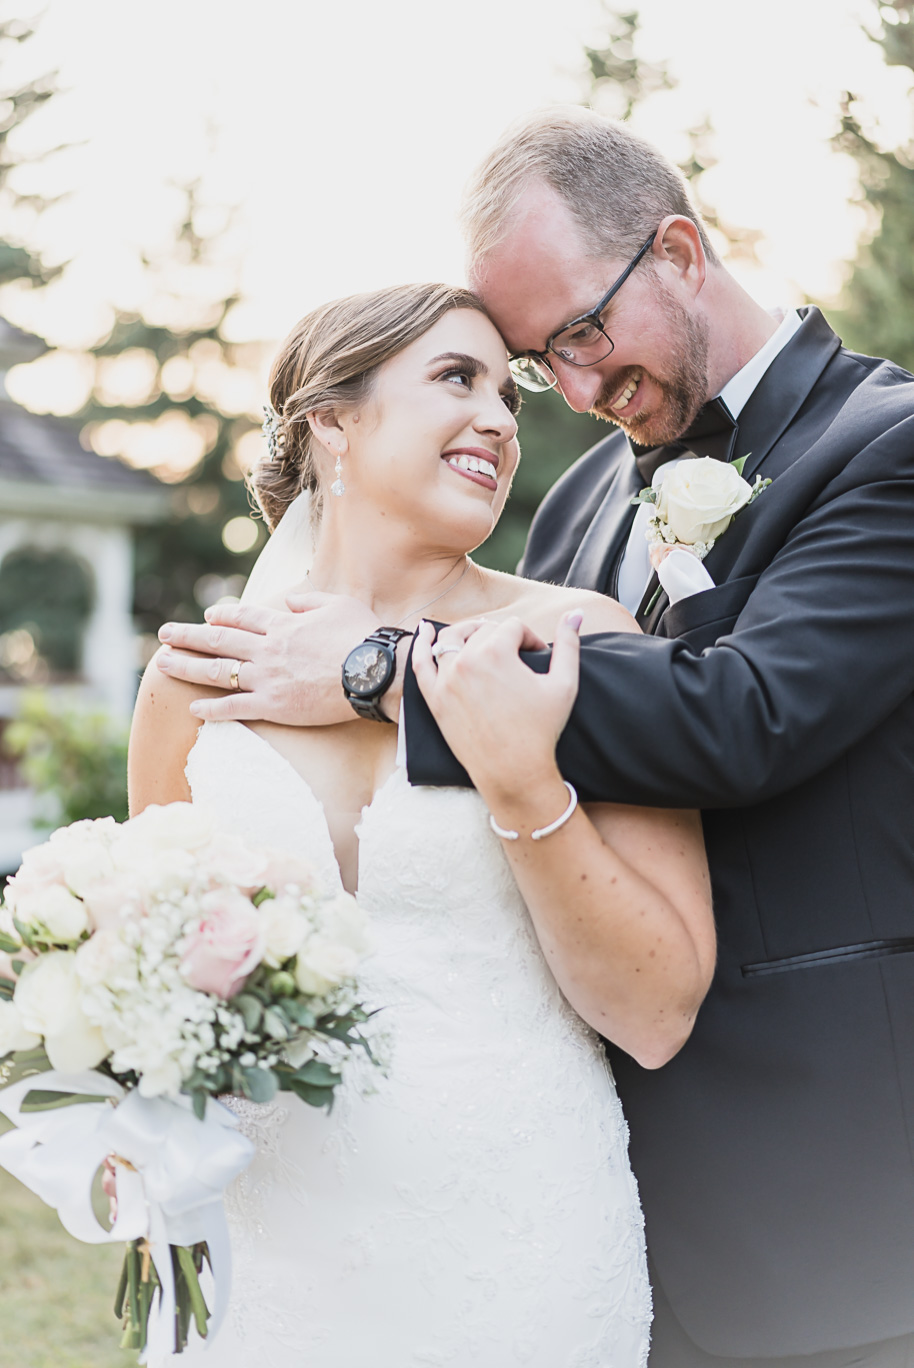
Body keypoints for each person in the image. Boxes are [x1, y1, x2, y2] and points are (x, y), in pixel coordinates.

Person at [155, 109, 914, 1367]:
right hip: (587, 1180)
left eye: (579, 331)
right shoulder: (577, 498)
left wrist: (372, 670)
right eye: (529, 362)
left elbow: (746, 717)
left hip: (820, 1190)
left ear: (675, 251)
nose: (567, 390)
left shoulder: (884, 448)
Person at [132, 281, 715, 1366]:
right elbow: (155, 1006)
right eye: (457, 378)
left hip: (515, 1250)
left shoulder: (576, 643)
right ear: (334, 421)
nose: (500, 417)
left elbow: (655, 1012)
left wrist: (522, 784)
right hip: (263, 1262)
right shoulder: (194, 682)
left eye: (509, 393)